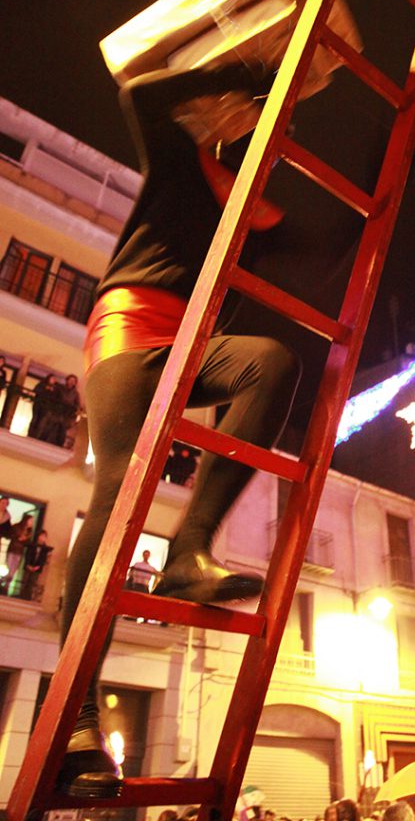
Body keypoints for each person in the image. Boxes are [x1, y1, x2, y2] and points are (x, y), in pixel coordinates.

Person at [56, 58, 301, 798]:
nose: (272, 129)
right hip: (133, 328)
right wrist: (247, 70)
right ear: (232, 121)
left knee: (270, 361)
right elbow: (140, 94)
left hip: (193, 344)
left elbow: (334, 250)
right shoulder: (182, 159)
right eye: (262, 115)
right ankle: (75, 719)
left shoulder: (257, 214)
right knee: (117, 489)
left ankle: (189, 550)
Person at [22, 529, 53, 600]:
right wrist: (28, 564)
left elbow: (43, 559)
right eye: (41, 536)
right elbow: (27, 555)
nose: (42, 538)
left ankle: (28, 596)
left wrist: (38, 566)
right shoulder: (32, 545)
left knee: (33, 581)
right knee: (25, 580)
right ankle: (22, 594)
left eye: (44, 536)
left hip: (37, 567)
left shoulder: (45, 548)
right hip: (29, 565)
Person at [57, 373, 82, 448]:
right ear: (67, 380)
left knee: (63, 430)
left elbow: (77, 404)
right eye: (70, 380)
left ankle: (59, 444)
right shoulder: (60, 388)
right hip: (58, 412)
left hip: (67, 415)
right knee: (55, 427)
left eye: (73, 381)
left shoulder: (75, 394)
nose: (71, 382)